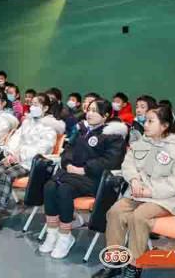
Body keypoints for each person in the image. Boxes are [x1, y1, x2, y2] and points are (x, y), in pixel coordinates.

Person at [94, 105, 175, 278]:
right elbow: (128, 164)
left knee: (139, 217)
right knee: (115, 212)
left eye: (150, 121)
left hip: (164, 199)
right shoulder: (141, 143)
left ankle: (134, 266)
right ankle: (115, 262)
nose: (145, 124)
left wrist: (150, 192)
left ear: (164, 126)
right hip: (138, 193)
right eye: (145, 120)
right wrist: (134, 180)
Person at [40, 99, 127, 259]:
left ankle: (65, 237)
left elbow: (111, 161)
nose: (89, 113)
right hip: (71, 175)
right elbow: (68, 150)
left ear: (105, 115)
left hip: (94, 180)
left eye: (95, 110)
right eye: (89, 109)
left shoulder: (114, 136)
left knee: (64, 189)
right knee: (49, 187)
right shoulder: (82, 130)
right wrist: (68, 164)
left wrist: (84, 169)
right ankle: (52, 233)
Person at [0, 93, 59, 235]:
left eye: (36, 104)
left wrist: (20, 155)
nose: (32, 107)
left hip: (31, 163)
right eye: (32, 104)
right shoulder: (27, 122)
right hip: (15, 158)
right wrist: (11, 153)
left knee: (5, 176)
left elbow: (43, 148)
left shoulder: (50, 127)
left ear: (45, 108)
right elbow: (15, 139)